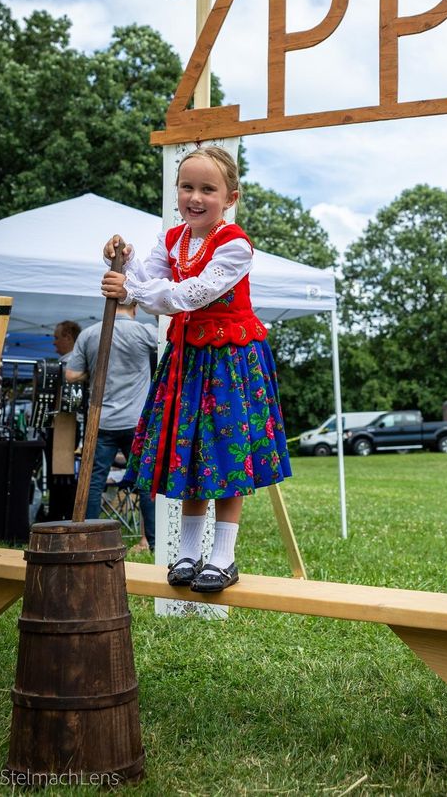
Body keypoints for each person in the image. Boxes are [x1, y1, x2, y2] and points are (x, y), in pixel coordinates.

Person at [101, 145, 291, 592]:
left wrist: (131, 289)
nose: (196, 197)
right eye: (187, 187)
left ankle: (222, 557)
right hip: (187, 360)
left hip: (229, 361)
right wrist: (124, 261)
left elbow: (187, 295)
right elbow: (149, 281)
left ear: (230, 197)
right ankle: (187, 554)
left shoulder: (235, 245)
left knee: (225, 453)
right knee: (190, 453)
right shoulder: (172, 240)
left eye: (208, 188)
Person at [64, 303, 158, 550]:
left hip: (102, 421)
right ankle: (154, 542)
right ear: (135, 306)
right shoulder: (146, 333)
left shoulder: (91, 333)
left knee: (94, 481)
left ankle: (91, 539)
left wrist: (93, 373)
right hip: (137, 421)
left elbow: (71, 375)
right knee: (144, 480)